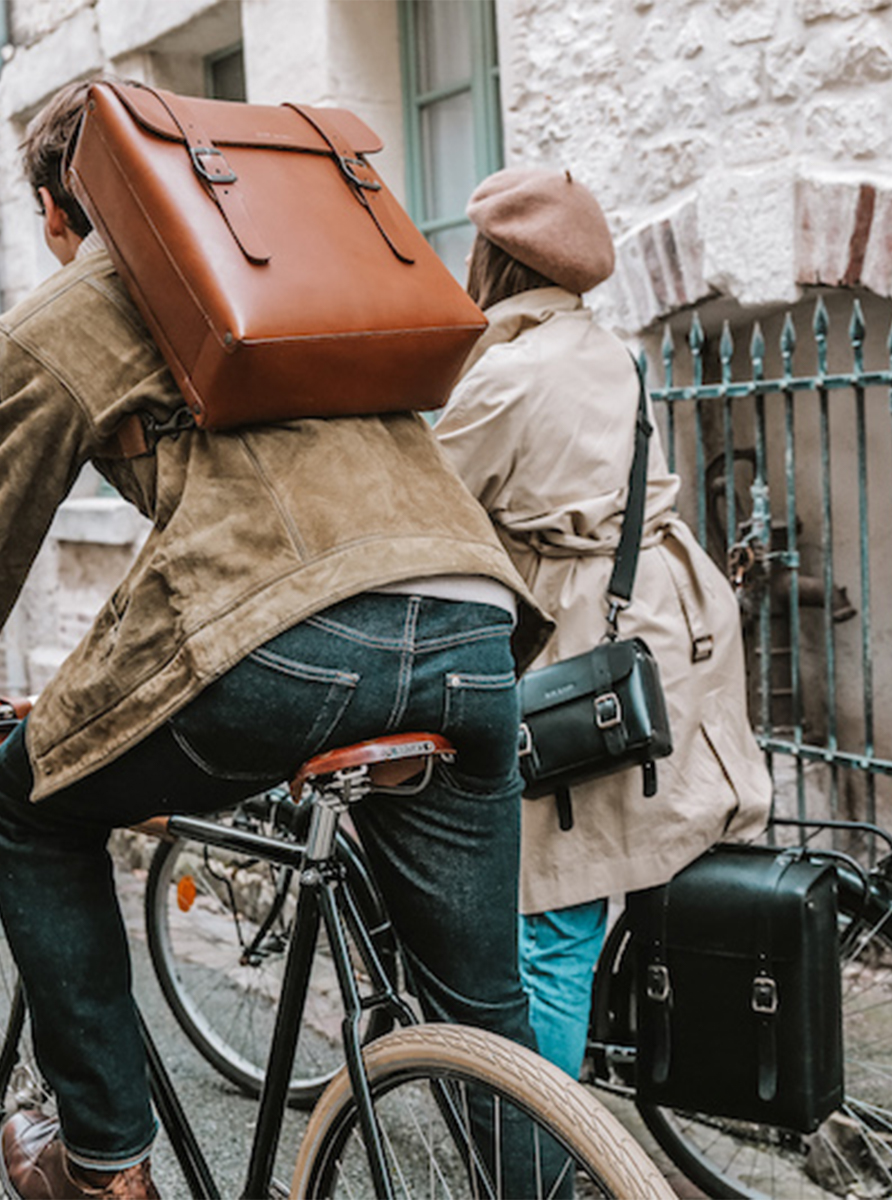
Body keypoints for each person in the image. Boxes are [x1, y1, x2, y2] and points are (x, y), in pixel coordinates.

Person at [0, 84, 553, 1199]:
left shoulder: (83, 296)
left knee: (24, 807)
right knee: (485, 1013)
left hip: (290, 634)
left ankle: (105, 1163)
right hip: (473, 621)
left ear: (64, 209)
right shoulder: (291, 249)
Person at [436, 167, 772, 1081]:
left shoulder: (507, 373)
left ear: (493, 260)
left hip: (581, 632)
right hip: (665, 617)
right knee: (630, 866)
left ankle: (545, 1153)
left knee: (553, 917)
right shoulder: (608, 350)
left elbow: (431, 508)